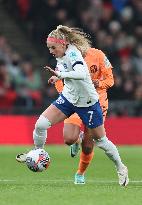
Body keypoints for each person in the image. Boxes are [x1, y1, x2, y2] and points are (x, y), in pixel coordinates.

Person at [16, 25, 129, 186]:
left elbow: (82, 74)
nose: (50, 51)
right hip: (69, 98)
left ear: (63, 44)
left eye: (52, 47)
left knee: (101, 141)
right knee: (41, 125)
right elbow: (63, 70)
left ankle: (121, 168)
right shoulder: (60, 53)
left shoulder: (74, 54)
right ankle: (38, 152)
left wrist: (61, 74)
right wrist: (57, 78)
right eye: (49, 48)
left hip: (88, 103)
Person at [55, 47, 114, 184]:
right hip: (75, 100)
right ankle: (77, 140)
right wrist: (65, 94)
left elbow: (110, 80)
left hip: (96, 103)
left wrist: (98, 83)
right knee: (69, 138)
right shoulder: (66, 56)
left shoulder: (98, 55)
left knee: (88, 146)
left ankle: (80, 173)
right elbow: (58, 78)